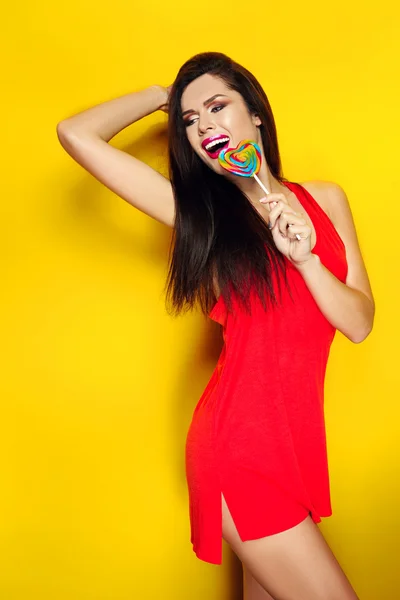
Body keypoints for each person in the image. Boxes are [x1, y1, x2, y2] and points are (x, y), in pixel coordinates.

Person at [56, 51, 374, 600]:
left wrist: (305, 260)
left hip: (294, 451)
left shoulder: (325, 200)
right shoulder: (200, 219)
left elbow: (360, 322)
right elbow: (75, 134)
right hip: (238, 449)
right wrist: (165, 94)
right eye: (190, 120)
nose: (205, 125)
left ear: (256, 116)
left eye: (218, 107)